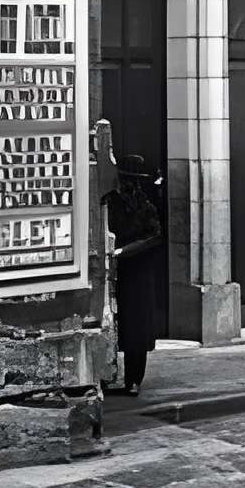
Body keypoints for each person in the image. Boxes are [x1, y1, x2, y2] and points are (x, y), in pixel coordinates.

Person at [104, 155, 164, 395]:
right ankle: (116, 376)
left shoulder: (145, 205)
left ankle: (134, 379)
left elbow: (154, 236)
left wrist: (124, 251)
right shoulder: (113, 203)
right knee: (123, 326)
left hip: (137, 272)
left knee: (137, 328)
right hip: (120, 272)